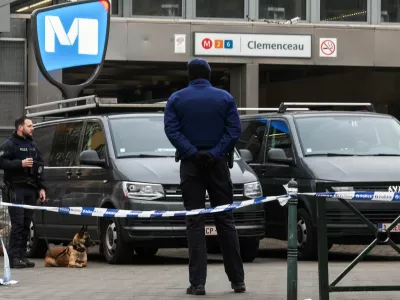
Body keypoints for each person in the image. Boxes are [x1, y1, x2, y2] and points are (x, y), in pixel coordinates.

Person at [164, 58, 245, 296]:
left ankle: (197, 283)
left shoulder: (177, 99)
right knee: (226, 220)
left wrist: (191, 152)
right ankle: (237, 281)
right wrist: (215, 153)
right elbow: (234, 130)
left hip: (191, 166)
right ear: (209, 75)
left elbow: (172, 130)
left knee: (195, 222)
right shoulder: (225, 98)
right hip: (218, 164)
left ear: (189, 76)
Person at [0, 116, 46, 268]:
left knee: (27, 224)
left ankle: (22, 256)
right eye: (30, 126)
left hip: (31, 189)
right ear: (20, 127)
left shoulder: (32, 144)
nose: (33, 128)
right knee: (18, 224)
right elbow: (2, 162)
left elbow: (39, 166)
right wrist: (20, 163)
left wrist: (41, 187)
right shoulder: (10, 144)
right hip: (16, 189)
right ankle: (13, 258)